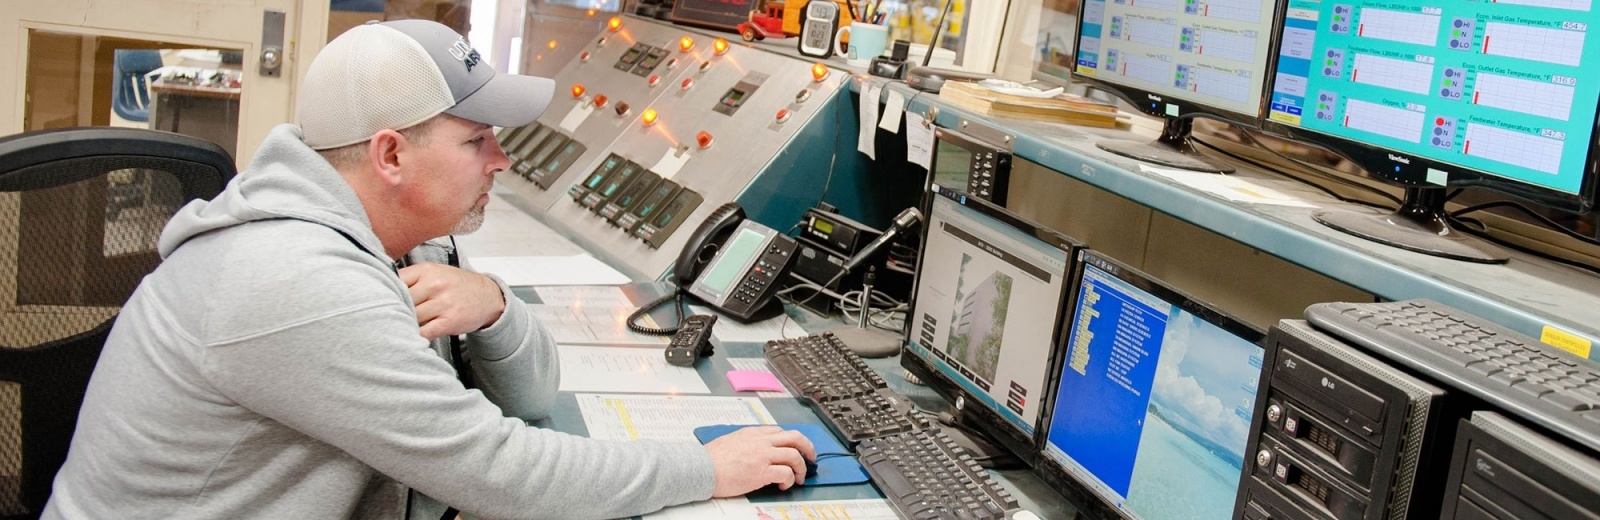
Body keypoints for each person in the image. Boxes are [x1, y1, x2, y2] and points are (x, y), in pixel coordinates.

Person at [43, 19, 814, 520]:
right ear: (390, 155)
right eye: (479, 140)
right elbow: (500, 471)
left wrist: (496, 307)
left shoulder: (396, 236)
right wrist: (704, 467)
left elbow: (534, 399)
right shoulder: (302, 283)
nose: (502, 160)